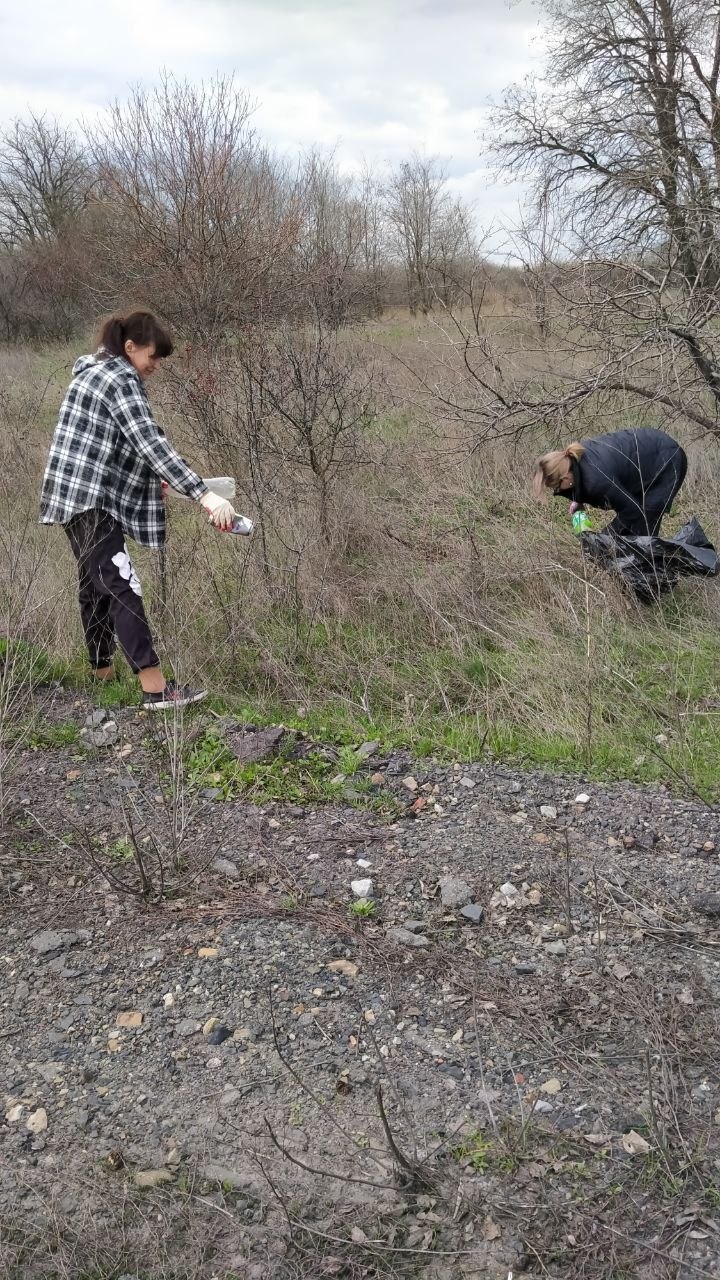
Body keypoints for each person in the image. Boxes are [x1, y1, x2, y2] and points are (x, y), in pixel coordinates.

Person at [40, 309, 242, 710]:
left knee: (94, 583)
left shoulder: (95, 371)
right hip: (88, 499)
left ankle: (101, 674)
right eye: (152, 356)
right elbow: (150, 443)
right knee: (122, 583)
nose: (155, 365)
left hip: (71, 495)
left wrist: (159, 482)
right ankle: (154, 688)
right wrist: (206, 496)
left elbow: (115, 444)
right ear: (130, 347)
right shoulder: (119, 379)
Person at [533, 426, 687, 537]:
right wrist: (577, 499)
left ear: (566, 478)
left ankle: (655, 576)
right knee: (623, 535)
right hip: (649, 452)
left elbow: (634, 513)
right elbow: (580, 481)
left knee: (645, 528)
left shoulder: (598, 482)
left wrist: (606, 539)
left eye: (557, 487)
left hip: (666, 461)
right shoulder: (574, 457)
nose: (559, 491)